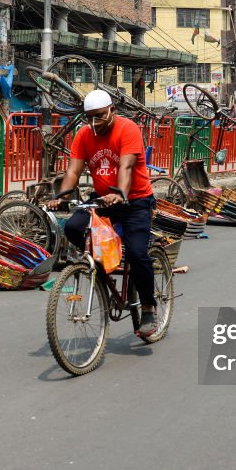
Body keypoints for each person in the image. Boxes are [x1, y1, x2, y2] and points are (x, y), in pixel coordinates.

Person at [47, 89, 159, 338]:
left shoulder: (127, 128)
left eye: (99, 116)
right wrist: (62, 196)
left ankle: (149, 307)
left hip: (135, 199)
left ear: (111, 111)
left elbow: (127, 166)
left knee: (138, 252)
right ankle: (102, 274)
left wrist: (120, 193)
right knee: (73, 227)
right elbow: (74, 171)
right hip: (102, 198)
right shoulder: (84, 134)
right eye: (89, 117)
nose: (94, 122)